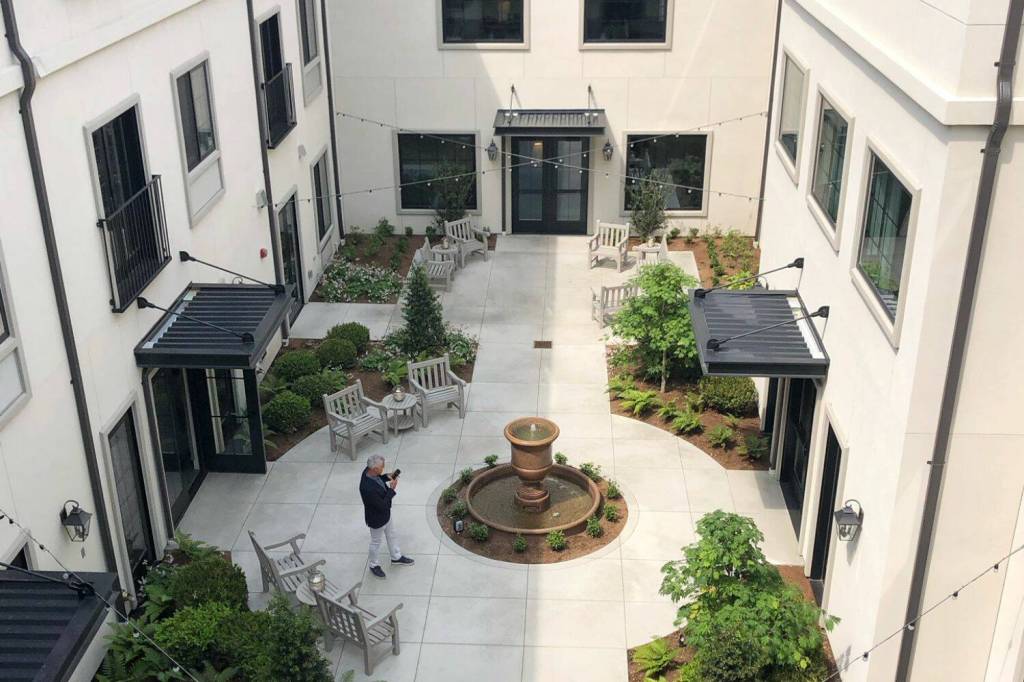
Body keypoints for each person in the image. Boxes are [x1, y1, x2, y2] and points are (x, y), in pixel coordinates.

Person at [359, 454, 415, 578]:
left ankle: (396, 557)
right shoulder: (367, 489)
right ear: (374, 469)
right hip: (377, 519)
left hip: (385, 515)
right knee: (376, 542)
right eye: (382, 467)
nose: (383, 468)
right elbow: (383, 505)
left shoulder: (369, 471)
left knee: (392, 534)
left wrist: (386, 477)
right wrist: (392, 489)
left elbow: (378, 479)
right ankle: (373, 565)